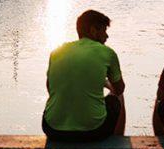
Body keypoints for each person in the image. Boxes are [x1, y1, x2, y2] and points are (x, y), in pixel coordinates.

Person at [42, 10, 126, 141]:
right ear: (93, 31)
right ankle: (119, 142)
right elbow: (119, 89)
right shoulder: (107, 53)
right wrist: (108, 85)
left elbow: (50, 88)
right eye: (104, 30)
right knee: (119, 96)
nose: (107, 36)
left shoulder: (56, 52)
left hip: (52, 129)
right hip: (93, 131)